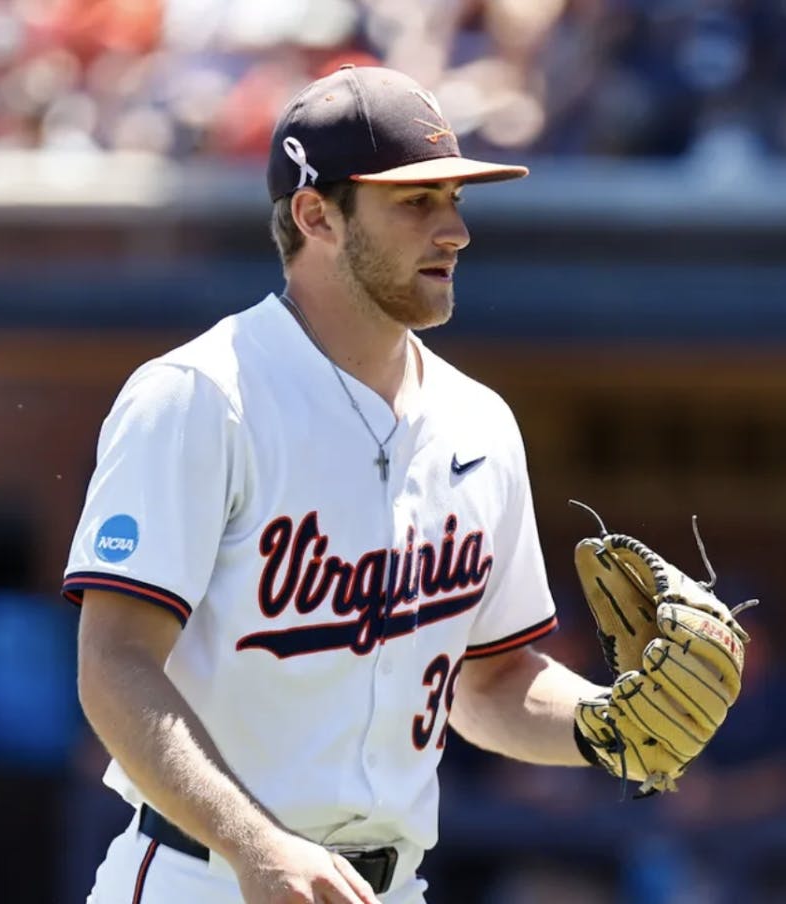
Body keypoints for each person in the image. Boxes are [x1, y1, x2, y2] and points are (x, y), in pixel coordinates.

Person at [64, 64, 742, 904]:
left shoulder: (479, 421)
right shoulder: (205, 395)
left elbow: (489, 679)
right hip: (201, 875)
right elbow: (113, 663)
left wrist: (606, 725)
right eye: (415, 203)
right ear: (317, 215)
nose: (453, 230)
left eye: (455, 200)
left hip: (392, 885)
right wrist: (254, 841)